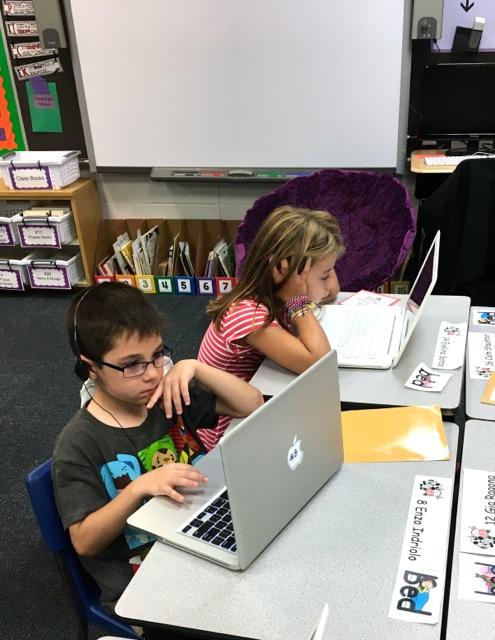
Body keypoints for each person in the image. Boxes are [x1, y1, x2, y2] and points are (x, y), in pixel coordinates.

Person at [52, 282, 263, 621]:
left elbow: (251, 404)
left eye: (157, 355)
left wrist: (195, 367)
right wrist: (139, 487)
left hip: (198, 528)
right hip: (145, 580)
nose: (152, 374)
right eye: (132, 365)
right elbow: (84, 541)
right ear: (90, 367)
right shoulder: (78, 444)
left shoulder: (167, 396)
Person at [196, 205, 345, 450]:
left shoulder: (269, 292)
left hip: (255, 405)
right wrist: (297, 300)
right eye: (324, 276)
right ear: (287, 272)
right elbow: (319, 364)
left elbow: (332, 291)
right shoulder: (249, 314)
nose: (329, 285)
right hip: (228, 435)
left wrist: (318, 275)